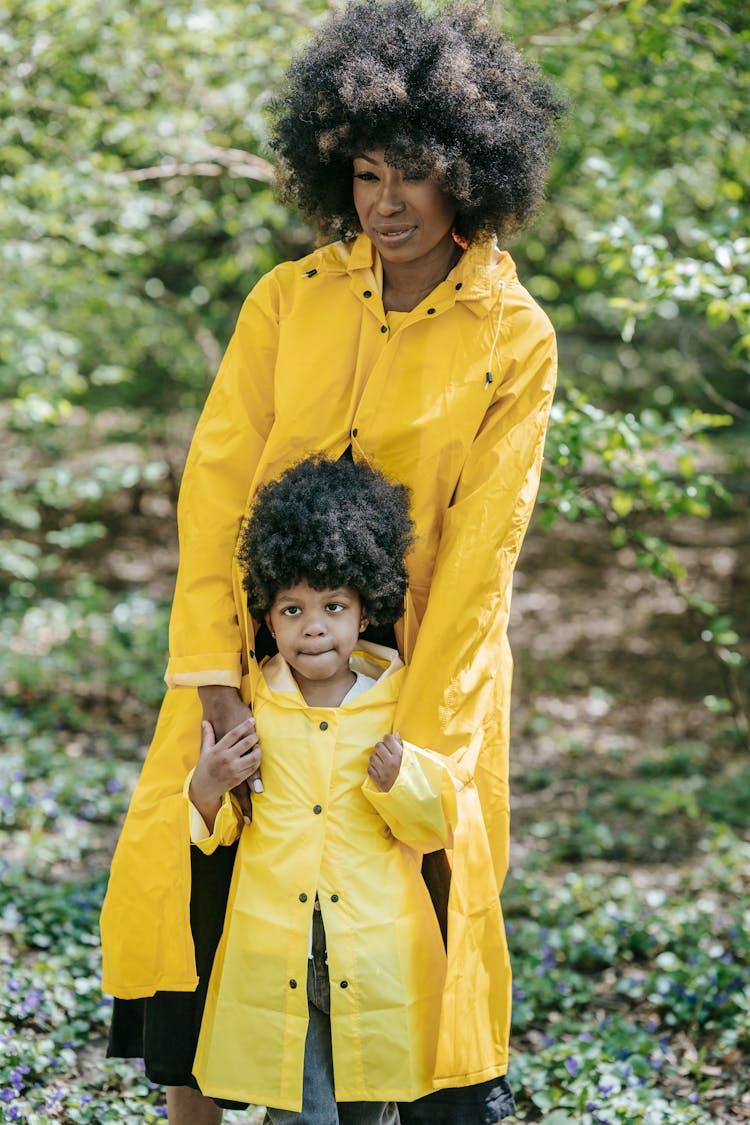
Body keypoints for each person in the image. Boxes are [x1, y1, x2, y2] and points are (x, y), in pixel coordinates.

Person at [100, 1, 561, 1122]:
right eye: (364, 173)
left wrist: (423, 741)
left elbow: (482, 560)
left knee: (413, 928)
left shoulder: (514, 337)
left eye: (411, 173)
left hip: (413, 688)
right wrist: (213, 680)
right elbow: (214, 497)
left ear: (468, 170)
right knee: (203, 915)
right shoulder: (286, 301)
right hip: (255, 660)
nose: (385, 202)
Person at [187, 454, 460, 1121]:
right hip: (274, 950)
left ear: (364, 608)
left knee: (368, 1113)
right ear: (268, 616)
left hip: (374, 954)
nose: (314, 625)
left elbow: (436, 828)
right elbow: (217, 827)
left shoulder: (398, 697)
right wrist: (208, 783)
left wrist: (402, 782)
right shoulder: (254, 702)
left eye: (333, 605)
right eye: (293, 607)